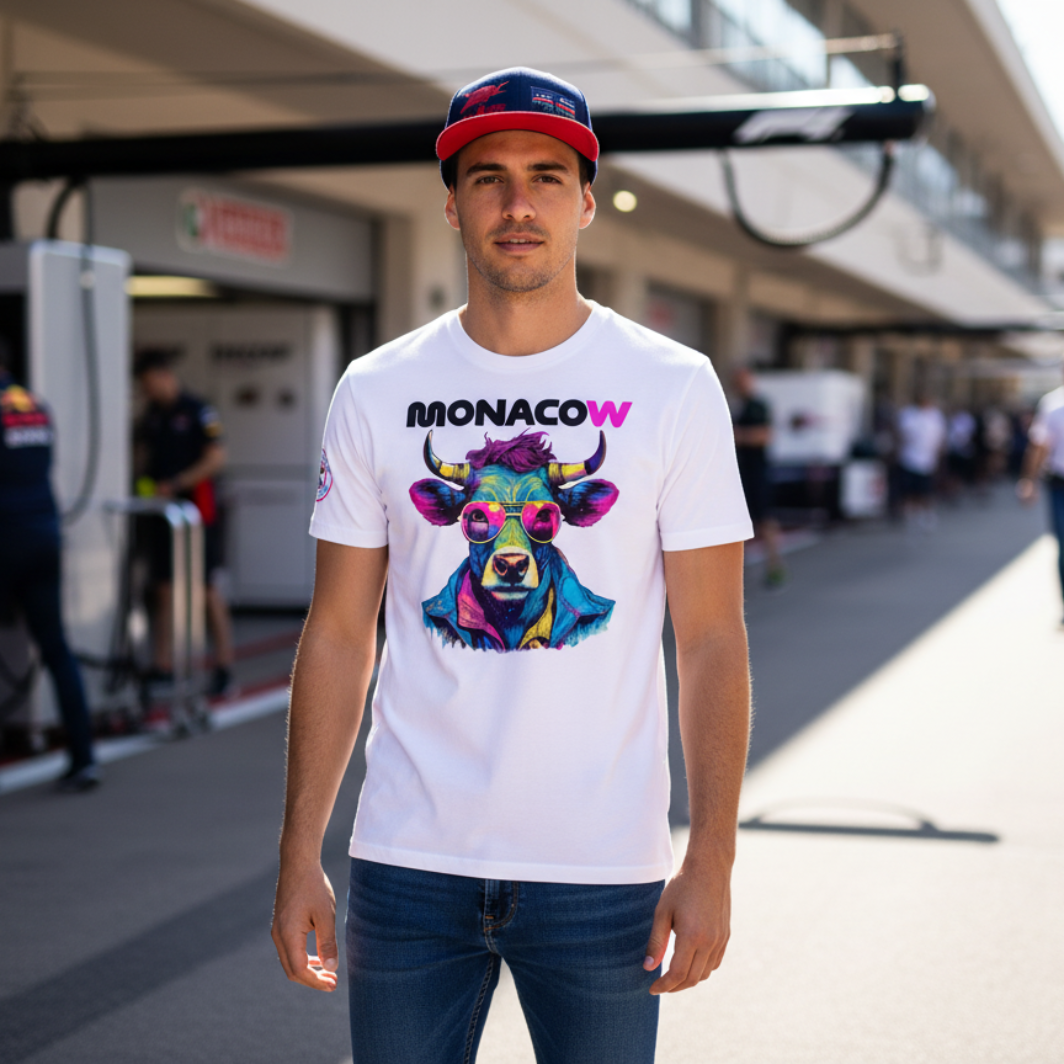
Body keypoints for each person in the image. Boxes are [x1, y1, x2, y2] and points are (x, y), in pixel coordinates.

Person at [271, 68, 754, 1064]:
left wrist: (710, 854)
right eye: (488, 178)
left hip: (602, 870)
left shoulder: (670, 385)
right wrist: (297, 852)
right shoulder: (376, 388)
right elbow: (337, 630)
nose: (517, 203)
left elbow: (708, 637)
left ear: (584, 200)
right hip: (407, 861)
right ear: (451, 205)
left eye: (544, 176)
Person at [0, 340, 98, 790]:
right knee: (56, 648)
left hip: (7, 536)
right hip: (44, 535)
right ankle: (84, 757)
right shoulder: (35, 405)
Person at [134, 350, 234, 696]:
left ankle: (224, 665)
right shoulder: (151, 416)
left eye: (150, 385)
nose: (149, 392)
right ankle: (163, 663)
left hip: (196, 514)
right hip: (163, 514)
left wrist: (176, 483)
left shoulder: (197, 410)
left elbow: (216, 458)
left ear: (164, 376)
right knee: (163, 586)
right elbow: (142, 457)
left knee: (207, 588)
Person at [732, 366, 785, 586]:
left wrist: (736, 435)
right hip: (739, 472)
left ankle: (775, 567)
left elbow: (763, 436)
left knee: (765, 520)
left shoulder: (758, 406)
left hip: (758, 471)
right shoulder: (736, 407)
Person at [1018, 368, 1064, 622]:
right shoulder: (1054, 404)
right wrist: (1029, 480)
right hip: (1060, 484)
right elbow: (1039, 447)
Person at [896, 391, 946, 531]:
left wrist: (938, 455)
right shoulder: (909, 414)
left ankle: (926, 515)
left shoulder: (935, 416)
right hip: (910, 459)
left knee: (926, 490)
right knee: (909, 489)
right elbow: (902, 434)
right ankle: (910, 515)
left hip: (928, 460)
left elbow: (940, 437)